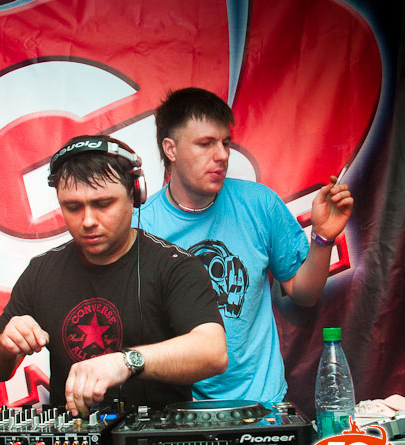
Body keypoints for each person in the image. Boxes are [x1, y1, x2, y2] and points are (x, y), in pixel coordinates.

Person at [0, 135, 227, 416]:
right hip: (74, 437)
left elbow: (213, 352)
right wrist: (5, 347)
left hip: (156, 437)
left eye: (103, 204)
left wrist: (126, 362)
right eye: (73, 207)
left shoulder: (173, 266)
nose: (88, 221)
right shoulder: (41, 272)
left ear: (134, 196)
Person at [138, 87, 354, 403]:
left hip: (262, 403)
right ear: (170, 149)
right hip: (180, 408)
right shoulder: (142, 226)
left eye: (225, 143)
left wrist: (323, 238)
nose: (222, 155)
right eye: (205, 144)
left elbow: (304, 295)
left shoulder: (259, 204)